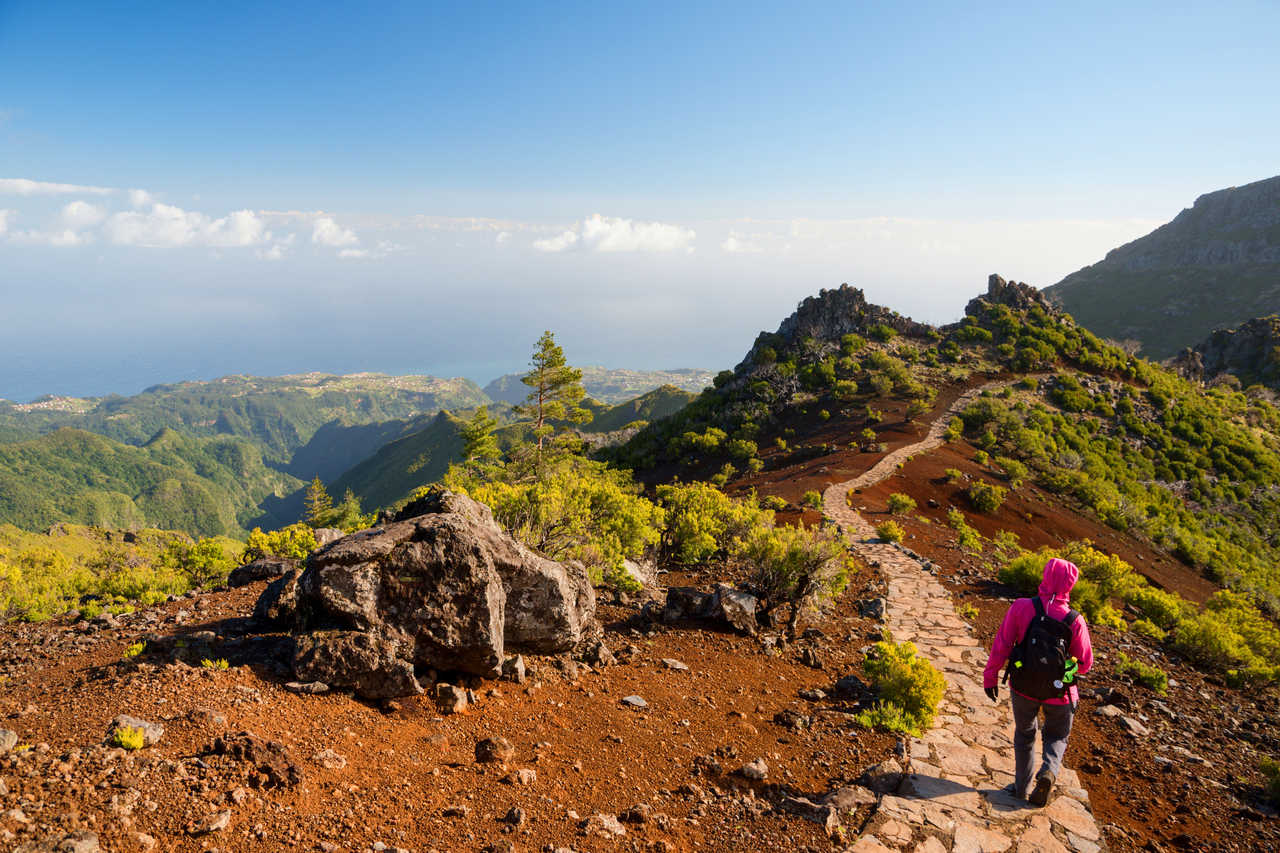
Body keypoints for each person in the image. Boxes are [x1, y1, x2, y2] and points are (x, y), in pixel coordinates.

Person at [982, 557, 1093, 806]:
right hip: (1060, 693)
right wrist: (1063, 670)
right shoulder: (1075, 620)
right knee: (1056, 736)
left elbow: (1002, 644)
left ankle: (1021, 788)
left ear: (1045, 576)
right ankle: (1049, 772)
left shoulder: (1022, 607)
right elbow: (1085, 663)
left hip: (1023, 687)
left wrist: (991, 675)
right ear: (1071, 585)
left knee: (1025, 734)